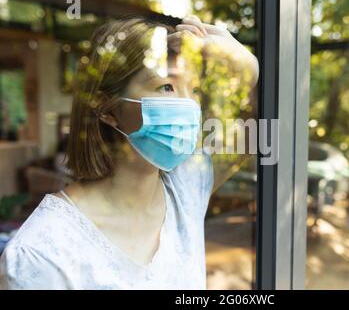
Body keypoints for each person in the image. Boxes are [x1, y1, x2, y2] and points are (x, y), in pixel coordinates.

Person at [0, 15, 259, 289]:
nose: (189, 105)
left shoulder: (185, 186)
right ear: (108, 109)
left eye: (193, 89)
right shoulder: (42, 254)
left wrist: (249, 68)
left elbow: (259, 132)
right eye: (167, 87)